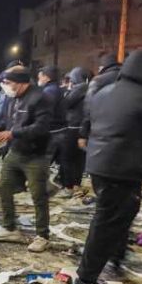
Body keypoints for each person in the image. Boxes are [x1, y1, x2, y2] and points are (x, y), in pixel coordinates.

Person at [73, 50, 142, 284]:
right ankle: (86, 280)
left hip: (99, 164)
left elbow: (90, 121)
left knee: (117, 216)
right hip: (124, 168)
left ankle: (114, 257)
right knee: (108, 221)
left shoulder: (105, 91)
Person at [0, 66, 52, 252]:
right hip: (15, 152)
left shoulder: (40, 98)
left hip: (36, 155)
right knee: (4, 187)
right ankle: (10, 228)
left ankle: (43, 236)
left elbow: (41, 127)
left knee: (38, 196)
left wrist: (13, 133)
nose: (5, 86)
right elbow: (6, 120)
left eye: (8, 82)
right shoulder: (11, 97)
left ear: (22, 82)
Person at [58, 67, 89, 197]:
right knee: (79, 159)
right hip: (83, 129)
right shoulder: (90, 89)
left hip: (72, 128)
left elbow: (65, 104)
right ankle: (76, 184)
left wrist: (67, 91)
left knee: (67, 158)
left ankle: (69, 186)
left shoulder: (79, 89)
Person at [79, 53, 121, 149]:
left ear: (102, 67)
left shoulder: (98, 81)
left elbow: (88, 108)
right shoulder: (127, 78)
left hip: (100, 129)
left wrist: (83, 134)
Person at [37, 66, 66, 187]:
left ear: (46, 77)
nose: (38, 79)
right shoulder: (58, 89)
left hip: (52, 131)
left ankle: (42, 186)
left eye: (40, 76)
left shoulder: (49, 91)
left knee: (44, 159)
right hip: (60, 129)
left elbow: (45, 112)